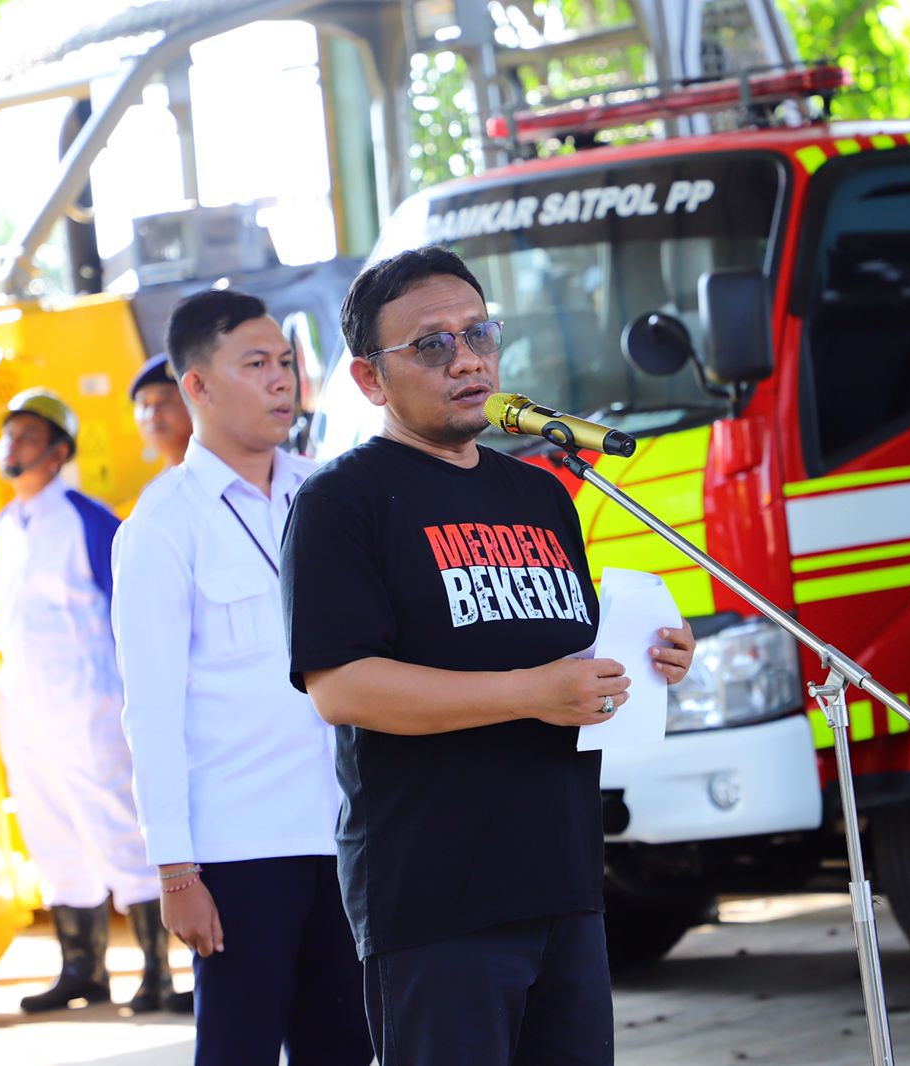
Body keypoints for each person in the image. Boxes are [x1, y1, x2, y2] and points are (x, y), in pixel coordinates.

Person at [280, 246, 696, 1066]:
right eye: (432, 345)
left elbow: (559, 652)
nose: (467, 359)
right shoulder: (341, 503)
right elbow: (343, 686)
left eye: (479, 334)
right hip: (436, 899)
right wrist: (530, 693)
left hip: (566, 881)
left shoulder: (541, 495)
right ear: (370, 380)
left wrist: (645, 660)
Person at [110, 290, 371, 1066]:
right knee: (238, 1052)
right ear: (196, 387)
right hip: (239, 852)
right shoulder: (161, 526)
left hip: (348, 834)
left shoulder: (332, 492)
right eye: (255, 365)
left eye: (286, 363)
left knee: (346, 1052)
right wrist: (175, 870)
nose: (280, 380)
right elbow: (149, 712)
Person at [0, 388, 183, 1015]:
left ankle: (158, 970)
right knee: (51, 832)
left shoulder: (85, 517)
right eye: (7, 434)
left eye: (26, 436)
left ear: (58, 451)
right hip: (26, 706)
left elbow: (130, 607)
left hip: (87, 701)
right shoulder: (0, 530)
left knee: (118, 827)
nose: (10, 446)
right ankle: (82, 969)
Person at [131, 352, 194, 469]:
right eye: (144, 404)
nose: (152, 415)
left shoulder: (229, 477)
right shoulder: (161, 486)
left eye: (164, 401)